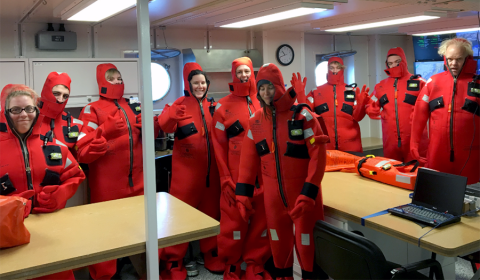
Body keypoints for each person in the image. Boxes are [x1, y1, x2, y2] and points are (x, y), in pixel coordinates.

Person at [235, 63, 328, 280]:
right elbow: (247, 161)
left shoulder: (303, 116)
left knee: (308, 247)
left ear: (279, 86)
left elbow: (318, 155)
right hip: (273, 199)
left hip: (303, 198)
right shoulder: (255, 121)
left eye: (270, 87)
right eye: (261, 88)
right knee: (279, 247)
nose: (266, 92)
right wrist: (242, 195)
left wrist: (309, 193)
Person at [0, 84, 85, 280]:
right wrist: (8, 205)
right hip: (7, 238)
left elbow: (76, 175)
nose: (24, 115)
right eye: (16, 109)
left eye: (29, 108)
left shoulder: (55, 145)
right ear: (5, 113)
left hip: (51, 235)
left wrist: (61, 194)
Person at [76, 63, 147, 280]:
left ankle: (146, 272)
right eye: (112, 78)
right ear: (102, 82)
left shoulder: (134, 104)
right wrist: (104, 132)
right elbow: (82, 153)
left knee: (141, 234)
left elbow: (147, 140)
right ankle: (103, 277)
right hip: (108, 186)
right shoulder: (92, 109)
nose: (118, 82)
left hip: (138, 182)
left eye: (119, 77)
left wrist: (151, 128)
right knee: (105, 236)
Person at [157, 62, 224, 280]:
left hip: (211, 174)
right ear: (189, 84)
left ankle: (210, 252)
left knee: (211, 213)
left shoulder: (214, 106)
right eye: (196, 83)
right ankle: (174, 260)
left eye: (203, 83)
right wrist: (171, 115)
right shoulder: (179, 104)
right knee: (180, 217)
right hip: (186, 175)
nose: (200, 86)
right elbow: (164, 126)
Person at [212, 57, 272, 280]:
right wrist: (225, 177)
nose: (244, 75)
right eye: (239, 72)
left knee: (261, 221)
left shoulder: (265, 101)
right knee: (234, 221)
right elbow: (218, 144)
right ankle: (232, 264)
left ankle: (255, 263)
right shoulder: (222, 107)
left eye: (247, 71)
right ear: (233, 75)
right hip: (236, 173)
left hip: (263, 172)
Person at [411, 38, 480, 184]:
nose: (453, 64)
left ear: (467, 59)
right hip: (437, 153)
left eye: (458, 59)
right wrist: (414, 143)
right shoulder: (433, 82)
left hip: (470, 155)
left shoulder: (478, 84)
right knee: (436, 192)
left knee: (469, 197)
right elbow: (419, 116)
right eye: (450, 59)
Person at [366, 47, 428, 162]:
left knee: (416, 173)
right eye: (390, 63)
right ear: (387, 65)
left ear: (403, 61)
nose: (394, 65)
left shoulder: (420, 83)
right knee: (392, 172)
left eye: (397, 62)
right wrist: (370, 109)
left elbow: (431, 109)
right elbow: (371, 104)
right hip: (390, 141)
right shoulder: (380, 86)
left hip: (415, 140)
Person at [305, 57, 370, 152]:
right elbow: (306, 115)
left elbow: (357, 117)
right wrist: (300, 97)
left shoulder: (352, 91)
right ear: (328, 69)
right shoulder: (316, 91)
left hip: (351, 145)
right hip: (326, 145)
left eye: (337, 67)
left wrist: (361, 105)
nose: (334, 70)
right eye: (331, 67)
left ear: (342, 69)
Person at [37, 72, 84, 153]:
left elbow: (83, 153)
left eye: (65, 96)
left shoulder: (74, 124)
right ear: (46, 92)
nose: (60, 99)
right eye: (56, 94)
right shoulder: (27, 120)